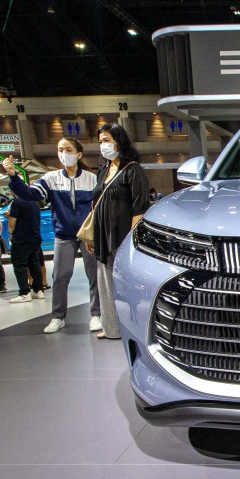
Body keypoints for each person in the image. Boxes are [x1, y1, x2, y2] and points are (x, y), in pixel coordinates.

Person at [3, 137, 100, 334]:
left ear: (78, 154)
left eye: (68, 149)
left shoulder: (92, 178)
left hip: (88, 234)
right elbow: (31, 194)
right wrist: (14, 177)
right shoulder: (51, 178)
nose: (64, 153)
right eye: (60, 149)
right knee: (60, 275)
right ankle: (58, 317)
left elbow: (100, 205)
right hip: (64, 234)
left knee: (94, 275)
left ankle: (96, 314)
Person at [90, 123, 149, 339]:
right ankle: (111, 328)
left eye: (107, 140)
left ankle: (131, 329)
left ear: (119, 141)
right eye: (100, 142)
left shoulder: (132, 170)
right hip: (102, 236)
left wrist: (131, 240)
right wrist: (92, 235)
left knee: (125, 286)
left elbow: (139, 207)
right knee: (105, 283)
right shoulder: (103, 171)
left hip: (122, 236)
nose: (103, 145)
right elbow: (95, 203)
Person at [5, 196, 44, 303]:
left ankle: (24, 293)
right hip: (35, 237)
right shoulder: (34, 201)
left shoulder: (17, 202)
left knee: (19, 264)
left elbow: (12, 222)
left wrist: (11, 233)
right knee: (34, 264)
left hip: (22, 238)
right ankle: (38, 290)